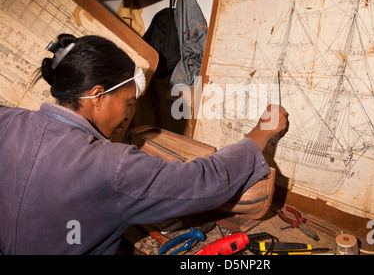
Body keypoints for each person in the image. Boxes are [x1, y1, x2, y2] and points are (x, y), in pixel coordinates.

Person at [0, 34, 288, 255]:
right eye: (128, 102)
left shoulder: (9, 120)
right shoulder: (112, 166)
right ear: (98, 95)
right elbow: (202, 181)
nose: (128, 115)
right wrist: (261, 133)